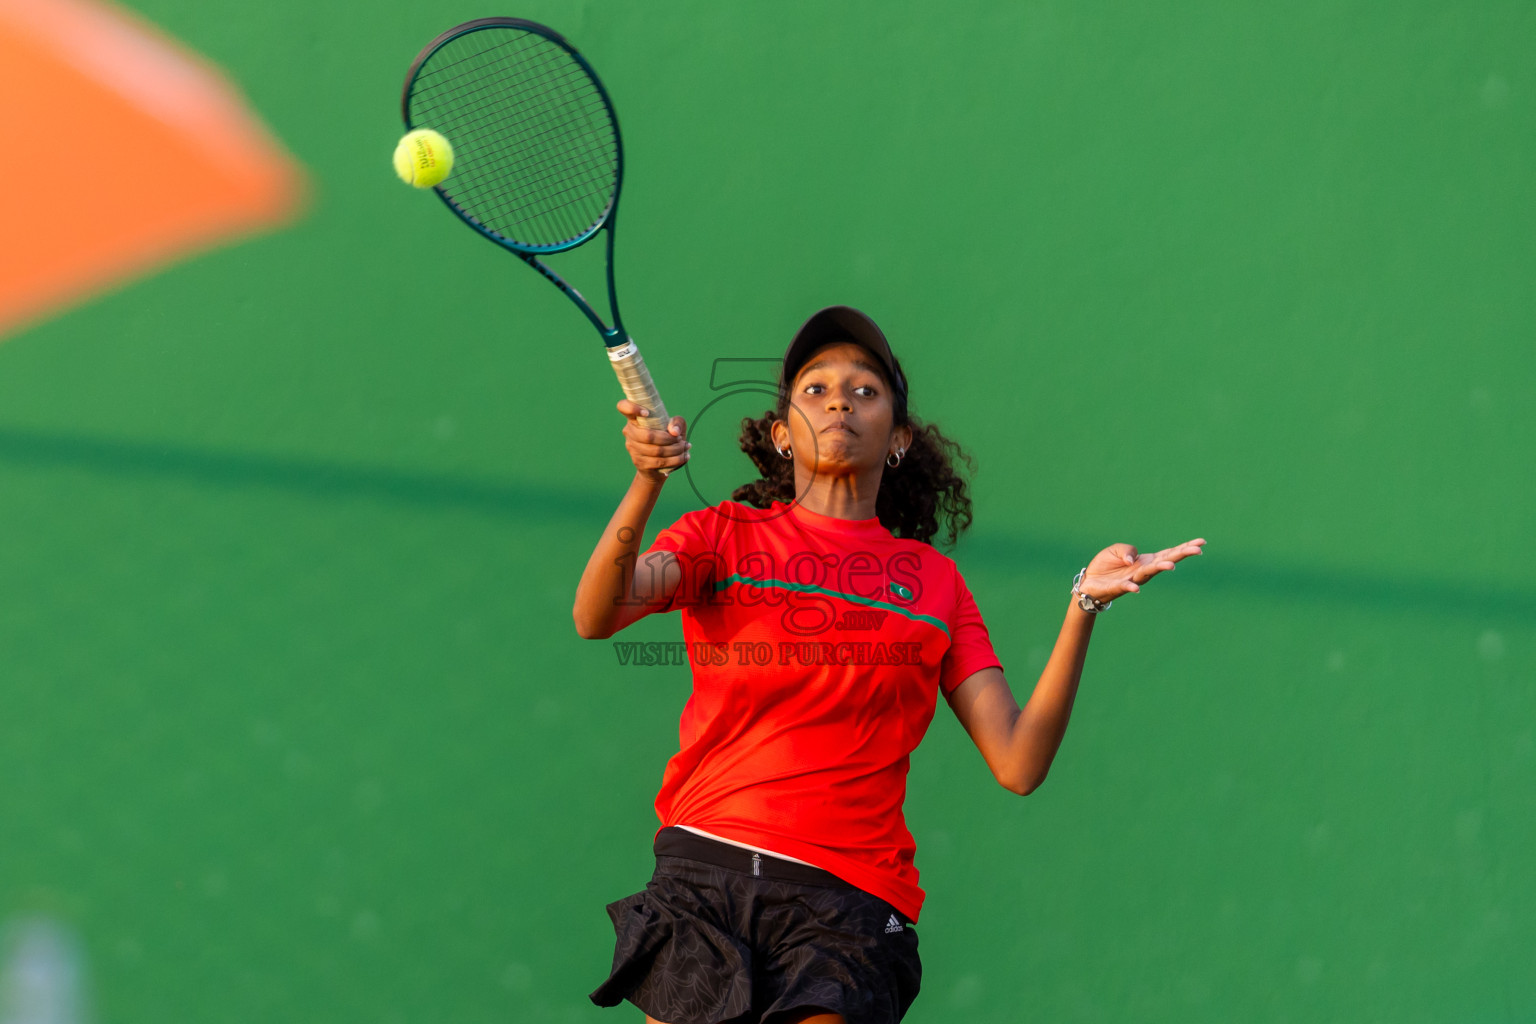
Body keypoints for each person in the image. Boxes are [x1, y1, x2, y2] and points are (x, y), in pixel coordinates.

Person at [575, 306, 1205, 1024]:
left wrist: (1083, 606)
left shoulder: (935, 585)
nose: (840, 398)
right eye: (815, 389)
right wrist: (647, 482)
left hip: (847, 903)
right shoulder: (721, 536)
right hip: (706, 874)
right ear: (782, 436)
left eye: (866, 390)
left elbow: (1019, 762)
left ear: (898, 439)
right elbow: (598, 614)